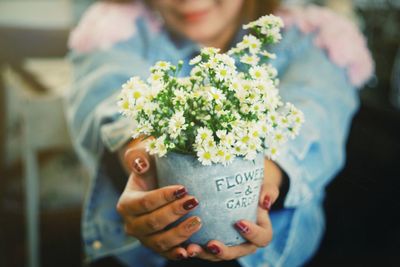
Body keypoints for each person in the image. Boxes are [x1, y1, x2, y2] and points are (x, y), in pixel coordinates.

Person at [66, 0, 373, 266]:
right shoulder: (117, 29)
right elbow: (108, 98)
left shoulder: (315, 37)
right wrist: (144, 156)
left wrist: (260, 187)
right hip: (137, 254)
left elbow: (314, 114)